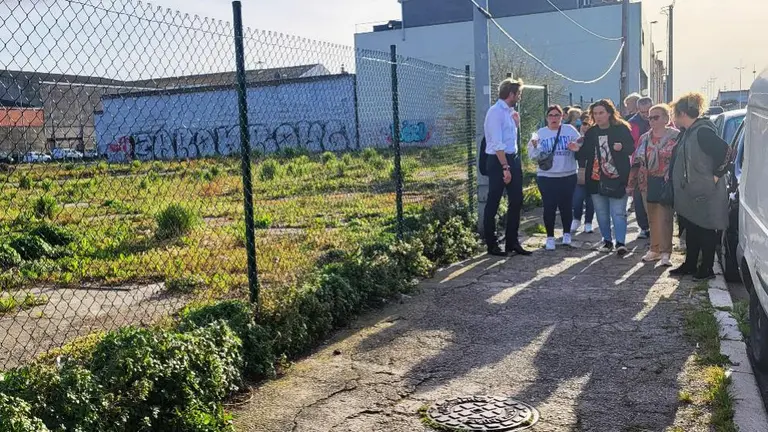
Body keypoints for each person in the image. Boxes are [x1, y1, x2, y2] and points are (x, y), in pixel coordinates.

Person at [669, 93, 731, 280]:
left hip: (705, 191)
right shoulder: (687, 133)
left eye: (674, 113)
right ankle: (690, 264)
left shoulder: (702, 131)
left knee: (706, 229)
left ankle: (706, 268)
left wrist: (716, 175)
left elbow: (726, 151)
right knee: (693, 228)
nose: (673, 117)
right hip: (690, 191)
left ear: (682, 113)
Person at [578, 99, 635, 256]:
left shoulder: (621, 128)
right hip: (596, 178)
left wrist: (622, 147)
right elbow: (585, 154)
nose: (598, 116)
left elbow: (631, 148)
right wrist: (577, 149)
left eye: (601, 113)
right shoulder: (592, 132)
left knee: (618, 212)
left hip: (617, 178)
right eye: (595, 113)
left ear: (609, 113)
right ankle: (607, 241)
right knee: (601, 213)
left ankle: (621, 243)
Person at [483, 78, 532, 257]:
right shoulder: (495, 112)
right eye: (518, 93)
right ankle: (492, 243)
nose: (519, 96)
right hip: (498, 160)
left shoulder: (511, 113)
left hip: (512, 158)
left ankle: (512, 241)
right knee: (494, 201)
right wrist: (505, 167)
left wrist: (517, 124)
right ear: (511, 94)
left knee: (516, 200)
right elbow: (496, 142)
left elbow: (511, 140)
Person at [627, 103, 679, 266]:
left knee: (665, 217)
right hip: (646, 181)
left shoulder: (675, 136)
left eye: (655, 117)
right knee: (652, 217)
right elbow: (637, 161)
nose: (652, 121)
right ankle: (654, 249)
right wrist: (631, 182)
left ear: (666, 118)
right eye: (649, 118)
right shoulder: (645, 137)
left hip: (666, 181)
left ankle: (665, 252)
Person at [527, 105, 582, 250]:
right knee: (549, 206)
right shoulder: (540, 133)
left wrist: (576, 145)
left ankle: (566, 234)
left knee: (566, 206)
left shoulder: (569, 129)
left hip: (567, 174)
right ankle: (550, 237)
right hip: (547, 176)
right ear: (546, 118)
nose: (554, 118)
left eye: (557, 115)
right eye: (551, 115)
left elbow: (581, 142)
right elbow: (533, 155)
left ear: (562, 117)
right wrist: (535, 146)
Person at [628, 96, 653, 239]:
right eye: (643, 112)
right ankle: (644, 227)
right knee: (638, 197)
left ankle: (655, 225)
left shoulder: (659, 117)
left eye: (648, 111)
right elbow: (630, 143)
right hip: (638, 164)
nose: (646, 114)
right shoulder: (632, 124)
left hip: (658, 164)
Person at [572, 110, 594, 234]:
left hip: (592, 172)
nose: (586, 127)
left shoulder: (594, 139)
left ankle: (589, 222)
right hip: (579, 171)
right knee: (577, 198)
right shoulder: (577, 139)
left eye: (588, 124)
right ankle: (576, 219)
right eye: (584, 124)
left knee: (590, 199)